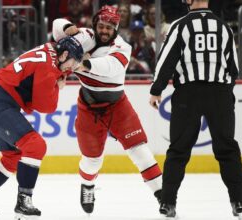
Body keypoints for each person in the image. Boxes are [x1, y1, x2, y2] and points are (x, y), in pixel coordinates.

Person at [53, 5, 162, 215]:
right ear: (95, 25)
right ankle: (87, 186)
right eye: (101, 26)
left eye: (109, 28)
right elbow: (57, 26)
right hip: (88, 108)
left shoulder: (123, 47)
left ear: (116, 29)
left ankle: (163, 197)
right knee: (92, 161)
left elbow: (111, 66)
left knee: (140, 152)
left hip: (117, 106)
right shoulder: (85, 36)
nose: (104, 31)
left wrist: (81, 65)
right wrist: (69, 29)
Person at [0, 36, 84, 220]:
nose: (72, 68)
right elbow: (45, 107)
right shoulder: (49, 68)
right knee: (35, 145)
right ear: (65, 54)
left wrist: (61, 72)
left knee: (12, 157)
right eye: (73, 62)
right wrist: (58, 86)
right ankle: (24, 203)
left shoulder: (49, 49)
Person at [149, 0, 242, 218]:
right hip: (219, 93)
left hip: (188, 94)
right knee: (227, 148)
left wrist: (157, 89)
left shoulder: (180, 25)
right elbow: (234, 68)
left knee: (178, 150)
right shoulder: (224, 27)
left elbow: (167, 60)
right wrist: (224, 91)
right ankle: (238, 202)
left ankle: (167, 203)